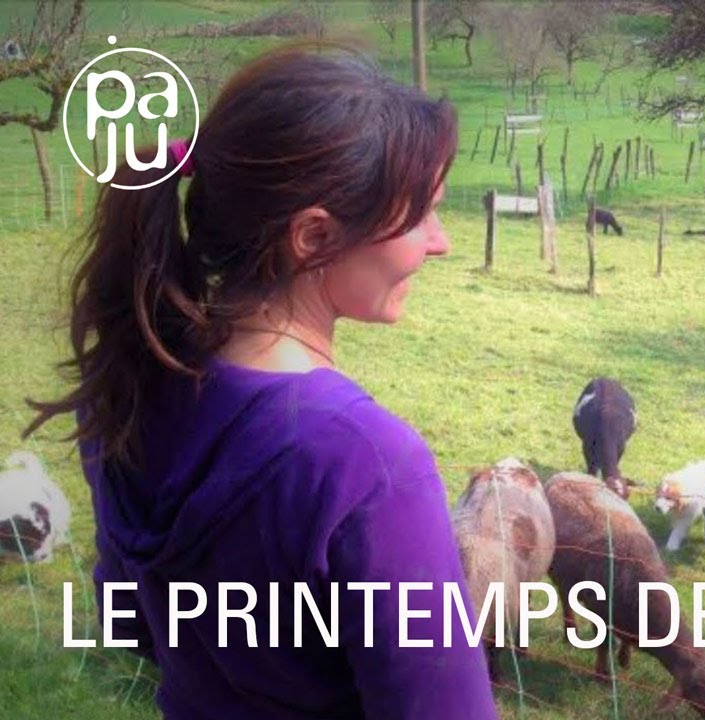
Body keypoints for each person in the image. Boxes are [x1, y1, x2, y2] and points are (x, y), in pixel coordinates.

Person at [23, 43, 499, 719]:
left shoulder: (125, 387)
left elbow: (130, 623)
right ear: (314, 237)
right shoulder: (367, 463)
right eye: (421, 215)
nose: (440, 241)